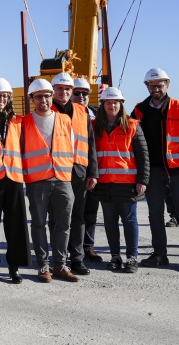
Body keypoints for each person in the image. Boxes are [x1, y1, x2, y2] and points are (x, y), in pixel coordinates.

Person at [5, 78, 90, 283]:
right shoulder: (23, 122)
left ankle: (60, 265)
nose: (43, 99)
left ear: (52, 97)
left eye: (46, 95)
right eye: (38, 96)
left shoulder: (64, 120)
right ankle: (43, 265)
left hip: (62, 179)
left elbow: (71, 147)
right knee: (39, 224)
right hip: (37, 181)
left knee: (64, 224)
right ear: (32, 99)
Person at [132, 67, 179, 273]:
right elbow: (130, 141)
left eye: (160, 84)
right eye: (152, 85)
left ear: (168, 85)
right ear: (147, 86)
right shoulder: (139, 111)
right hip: (153, 172)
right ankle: (159, 255)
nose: (156, 88)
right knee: (155, 215)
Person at [90, 87, 149, 273]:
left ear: (121, 105)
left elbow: (143, 155)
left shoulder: (132, 126)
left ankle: (132, 258)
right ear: (103, 105)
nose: (112, 105)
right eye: (108, 102)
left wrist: (143, 179)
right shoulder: (94, 127)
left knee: (130, 221)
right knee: (110, 221)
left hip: (127, 183)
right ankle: (115, 256)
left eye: (115, 102)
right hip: (105, 183)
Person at [50, 72, 98, 276]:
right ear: (53, 91)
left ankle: (77, 259)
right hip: (55, 171)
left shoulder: (81, 111)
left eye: (67, 89)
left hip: (78, 170)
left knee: (78, 216)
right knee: (56, 217)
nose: (64, 92)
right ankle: (58, 258)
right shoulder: (46, 110)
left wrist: (92, 172)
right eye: (60, 89)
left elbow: (90, 143)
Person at [0, 77, 31, 284]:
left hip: (13, 177)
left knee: (16, 225)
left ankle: (14, 267)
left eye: (5, 96)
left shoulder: (18, 120)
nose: (1, 99)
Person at [73, 77, 104, 265]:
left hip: (93, 169)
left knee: (90, 211)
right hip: (73, 170)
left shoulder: (97, 113)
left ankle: (88, 246)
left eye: (85, 93)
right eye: (77, 93)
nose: (81, 96)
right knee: (71, 212)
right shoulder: (63, 114)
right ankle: (72, 247)